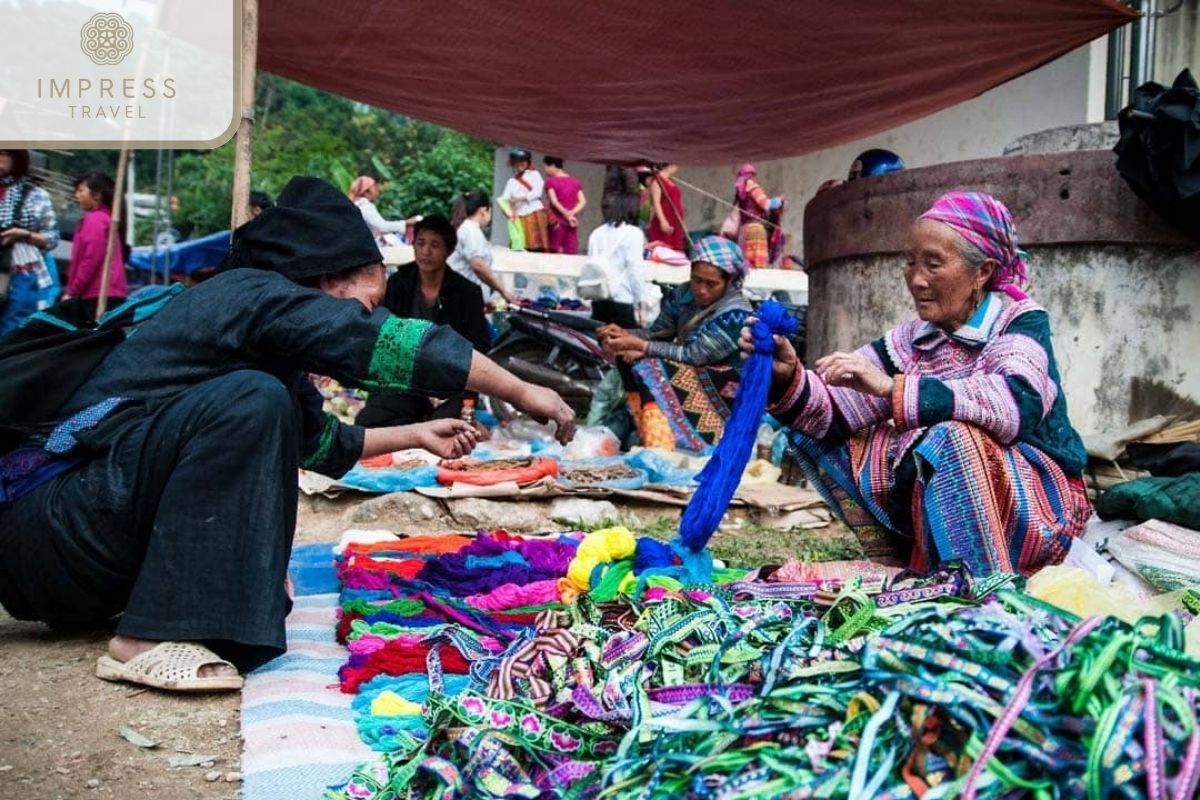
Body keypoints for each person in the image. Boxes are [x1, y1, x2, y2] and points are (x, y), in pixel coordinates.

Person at [0, 177, 576, 692]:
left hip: (83, 553)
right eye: (366, 301)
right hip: (58, 530)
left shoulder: (267, 346)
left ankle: (178, 609)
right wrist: (521, 389)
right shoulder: (249, 294)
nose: (364, 316)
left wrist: (419, 434)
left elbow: (324, 446)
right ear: (326, 281)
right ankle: (147, 639)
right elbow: (380, 342)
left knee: (260, 403)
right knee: (253, 400)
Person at [747, 191, 1089, 578]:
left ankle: (982, 581)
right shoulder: (914, 338)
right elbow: (835, 407)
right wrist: (788, 376)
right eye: (910, 262)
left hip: (1040, 510)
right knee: (822, 431)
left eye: (933, 264)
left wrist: (894, 389)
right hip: (954, 499)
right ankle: (909, 555)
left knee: (954, 437)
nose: (917, 279)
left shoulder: (1018, 320)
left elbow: (1015, 403)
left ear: (982, 271)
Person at [599, 236, 752, 451]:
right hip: (694, 370)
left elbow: (695, 355)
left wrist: (641, 347)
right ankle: (646, 428)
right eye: (697, 280)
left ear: (729, 281)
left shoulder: (736, 314)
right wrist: (622, 334)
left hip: (726, 389)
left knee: (650, 366)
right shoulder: (683, 294)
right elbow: (657, 334)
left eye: (711, 284)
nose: (702, 290)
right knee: (627, 358)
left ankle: (660, 444)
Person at [357, 214, 491, 429]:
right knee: (368, 421)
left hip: (449, 386)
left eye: (435, 245)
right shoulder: (399, 283)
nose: (426, 252)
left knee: (443, 428)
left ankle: (430, 421)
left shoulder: (467, 292)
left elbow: (480, 344)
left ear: (449, 251)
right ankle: (418, 422)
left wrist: (451, 376)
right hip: (404, 381)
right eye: (421, 243)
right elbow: (383, 331)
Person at [0, 149, 60, 335]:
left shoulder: (36, 196)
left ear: (16, 158)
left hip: (22, 276)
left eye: (3, 153)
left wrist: (24, 235)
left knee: (13, 332)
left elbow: (52, 238)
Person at [62, 171, 128, 318]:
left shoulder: (96, 220)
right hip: (104, 292)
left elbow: (91, 259)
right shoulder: (103, 218)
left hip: (99, 293)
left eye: (81, 190)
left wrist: (73, 291)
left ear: (97, 194)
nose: (76, 196)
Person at [586, 188, 647, 328]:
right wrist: (641, 303)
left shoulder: (596, 233)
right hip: (622, 299)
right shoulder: (634, 234)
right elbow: (635, 270)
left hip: (599, 299)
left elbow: (591, 264)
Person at [448, 190, 517, 305]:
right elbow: (478, 265)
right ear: (484, 211)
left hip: (466, 300)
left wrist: (486, 301)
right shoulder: (470, 230)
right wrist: (502, 291)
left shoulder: (468, 229)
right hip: (461, 301)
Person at [732, 163, 784, 269]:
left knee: (747, 265)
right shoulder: (751, 186)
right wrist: (779, 200)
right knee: (758, 266)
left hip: (744, 230)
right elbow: (766, 204)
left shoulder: (741, 190)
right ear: (752, 175)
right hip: (756, 229)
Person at [347, 175, 420, 247]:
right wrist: (406, 223)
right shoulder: (365, 206)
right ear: (366, 192)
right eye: (375, 188)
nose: (378, 191)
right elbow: (383, 227)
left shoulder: (355, 205)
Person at [500, 149, 550, 253]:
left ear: (527, 162)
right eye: (516, 163)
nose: (519, 165)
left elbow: (537, 192)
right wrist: (506, 208)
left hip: (534, 213)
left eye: (522, 162)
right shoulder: (511, 181)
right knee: (519, 246)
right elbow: (505, 198)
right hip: (519, 217)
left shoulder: (534, 174)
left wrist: (518, 199)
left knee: (536, 246)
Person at [542, 157, 586, 255]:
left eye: (545, 167)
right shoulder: (575, 181)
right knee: (570, 252)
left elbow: (554, 201)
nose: (545, 170)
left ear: (552, 165)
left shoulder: (551, 181)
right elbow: (582, 201)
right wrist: (571, 214)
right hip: (572, 223)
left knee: (553, 252)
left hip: (556, 223)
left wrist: (566, 213)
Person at [646, 163, 686, 252]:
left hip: (675, 220)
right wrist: (663, 221)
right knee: (664, 248)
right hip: (666, 218)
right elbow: (656, 203)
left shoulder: (670, 180)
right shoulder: (657, 181)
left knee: (675, 248)